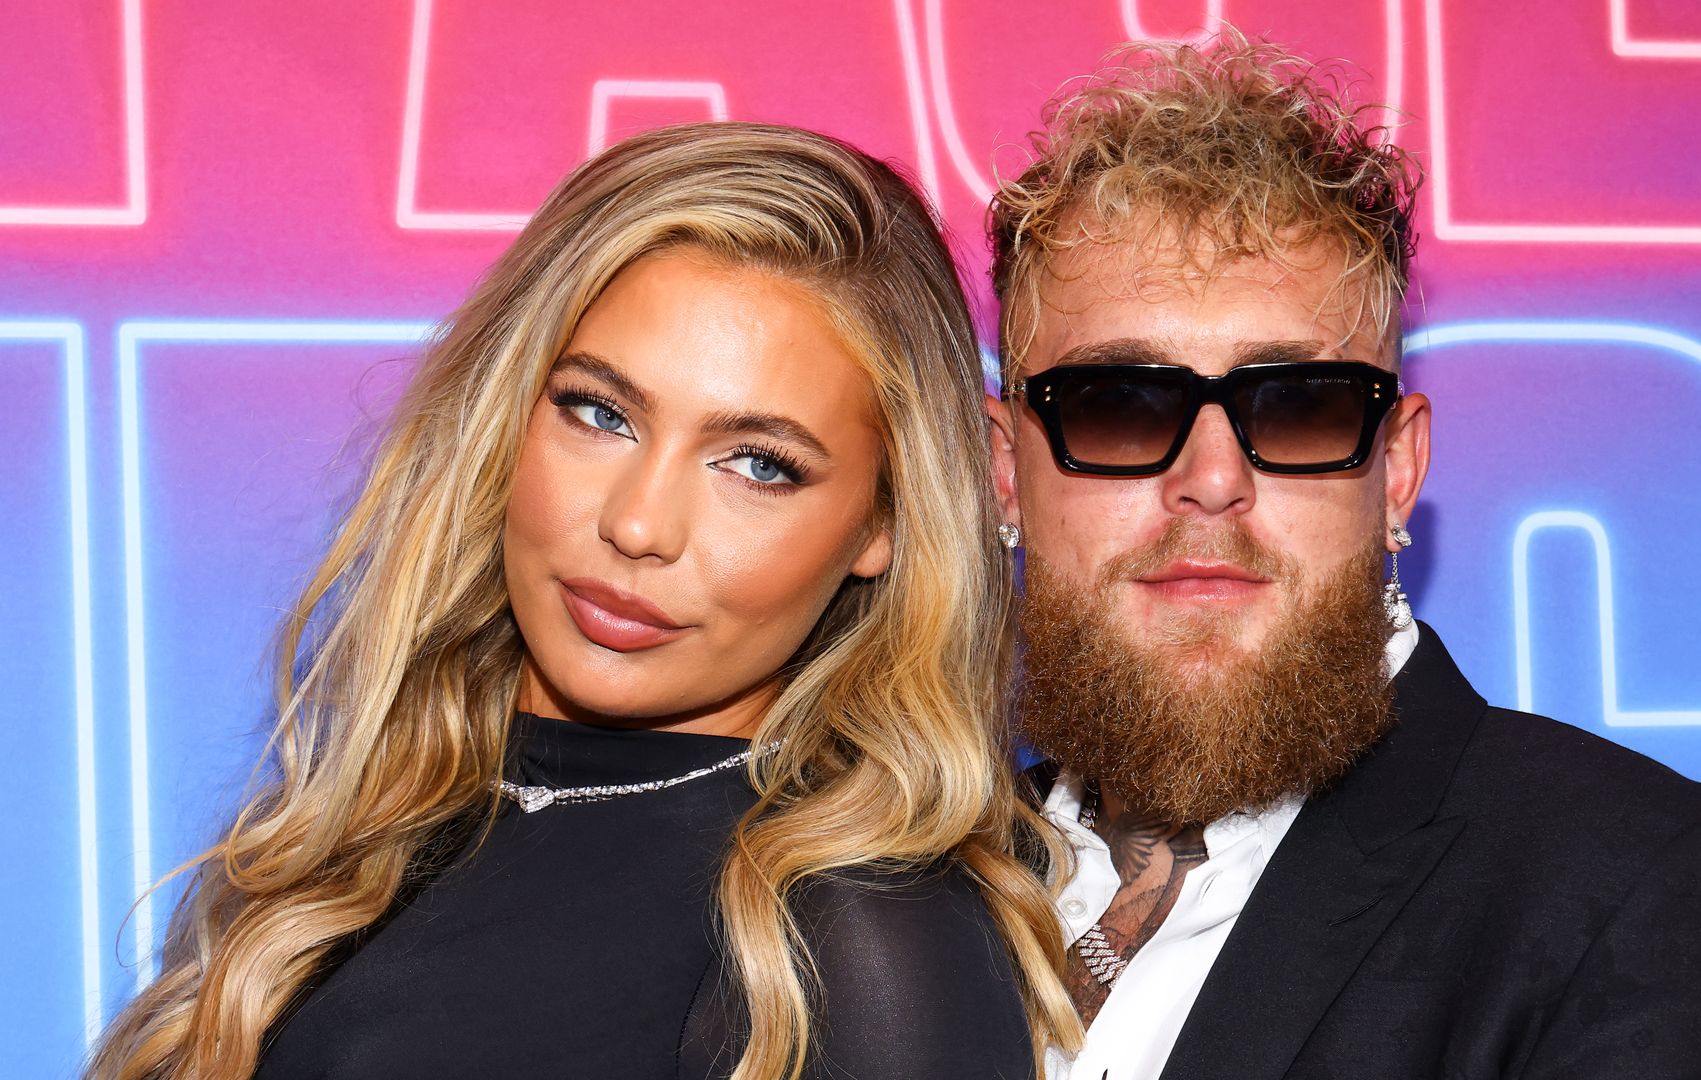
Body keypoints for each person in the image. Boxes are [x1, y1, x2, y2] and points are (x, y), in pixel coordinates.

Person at [87, 122, 1077, 1080]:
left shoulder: (860, 938)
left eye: (758, 465)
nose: (639, 524)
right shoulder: (373, 828)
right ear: (506, 413)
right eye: (599, 412)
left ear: (881, 524)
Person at [984, 32, 1701, 1079]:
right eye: (1118, 407)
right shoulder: (883, 886)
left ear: (1395, 470)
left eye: (1298, 407)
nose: (1211, 478)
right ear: (1004, 473)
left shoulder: (1662, 899)